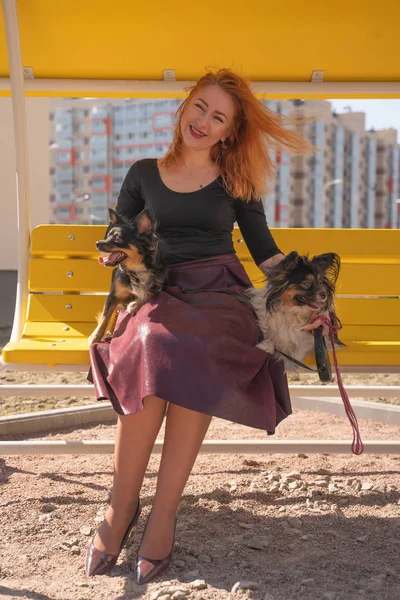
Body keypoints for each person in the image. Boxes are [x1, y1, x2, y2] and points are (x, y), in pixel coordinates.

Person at [86, 68, 322, 584]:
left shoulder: (237, 180)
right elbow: (116, 238)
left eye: (218, 117)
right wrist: (119, 276)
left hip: (218, 292)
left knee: (193, 347)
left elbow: (265, 252)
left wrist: (309, 296)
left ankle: (163, 514)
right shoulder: (142, 171)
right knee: (149, 341)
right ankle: (120, 505)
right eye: (200, 106)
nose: (204, 120)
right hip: (157, 288)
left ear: (227, 132)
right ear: (184, 106)